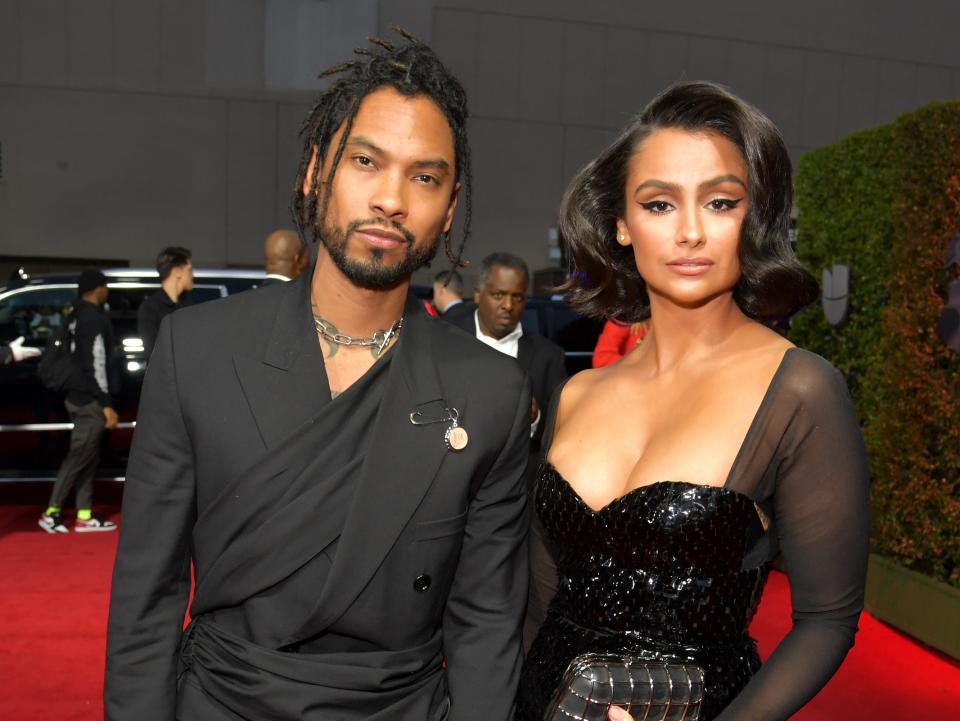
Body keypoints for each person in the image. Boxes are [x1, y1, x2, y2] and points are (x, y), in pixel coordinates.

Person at [105, 29, 531, 721]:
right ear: (314, 172)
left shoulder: (491, 393)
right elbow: (144, 599)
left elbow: (486, 622)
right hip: (221, 700)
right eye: (366, 160)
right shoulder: (198, 350)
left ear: (449, 208)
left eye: (425, 176)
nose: (392, 199)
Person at [516, 82, 870, 721]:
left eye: (719, 201)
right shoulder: (579, 393)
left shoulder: (799, 391)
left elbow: (827, 620)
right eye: (658, 203)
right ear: (621, 225)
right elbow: (542, 602)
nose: (688, 231)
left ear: (752, 216)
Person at [453, 252, 567, 447]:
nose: (508, 305)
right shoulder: (449, 343)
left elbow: (563, 427)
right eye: (499, 295)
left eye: (518, 297)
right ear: (478, 295)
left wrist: (535, 418)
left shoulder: (548, 356)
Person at [38, 269, 119, 534]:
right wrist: (105, 402)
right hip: (89, 400)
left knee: (88, 456)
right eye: (105, 285)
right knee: (79, 457)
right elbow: (95, 363)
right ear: (97, 288)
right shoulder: (92, 318)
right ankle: (52, 512)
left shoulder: (74, 316)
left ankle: (84, 513)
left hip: (77, 396)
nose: (107, 289)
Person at [137, 246, 193, 358]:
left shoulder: (189, 306)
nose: (193, 275)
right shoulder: (150, 308)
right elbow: (152, 352)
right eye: (190, 270)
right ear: (177, 272)